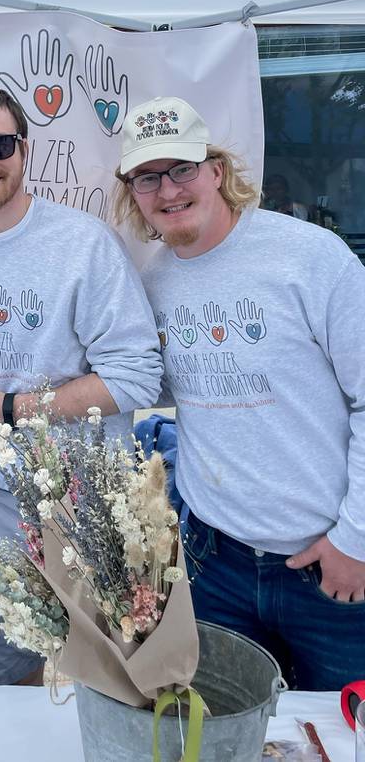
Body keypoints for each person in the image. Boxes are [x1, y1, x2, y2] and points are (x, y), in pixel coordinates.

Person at [113, 95, 365, 690]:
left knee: (341, 734)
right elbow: (138, 382)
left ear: (217, 171)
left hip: (328, 568)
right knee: (223, 732)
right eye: (148, 177)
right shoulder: (151, 286)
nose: (169, 189)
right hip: (214, 564)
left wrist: (356, 541)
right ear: (134, 193)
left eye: (182, 169)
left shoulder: (311, 258)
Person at [0, 84, 163, 685]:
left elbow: (136, 375)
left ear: (25, 151)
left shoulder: (84, 246)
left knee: (112, 680)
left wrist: (13, 408)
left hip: (87, 505)